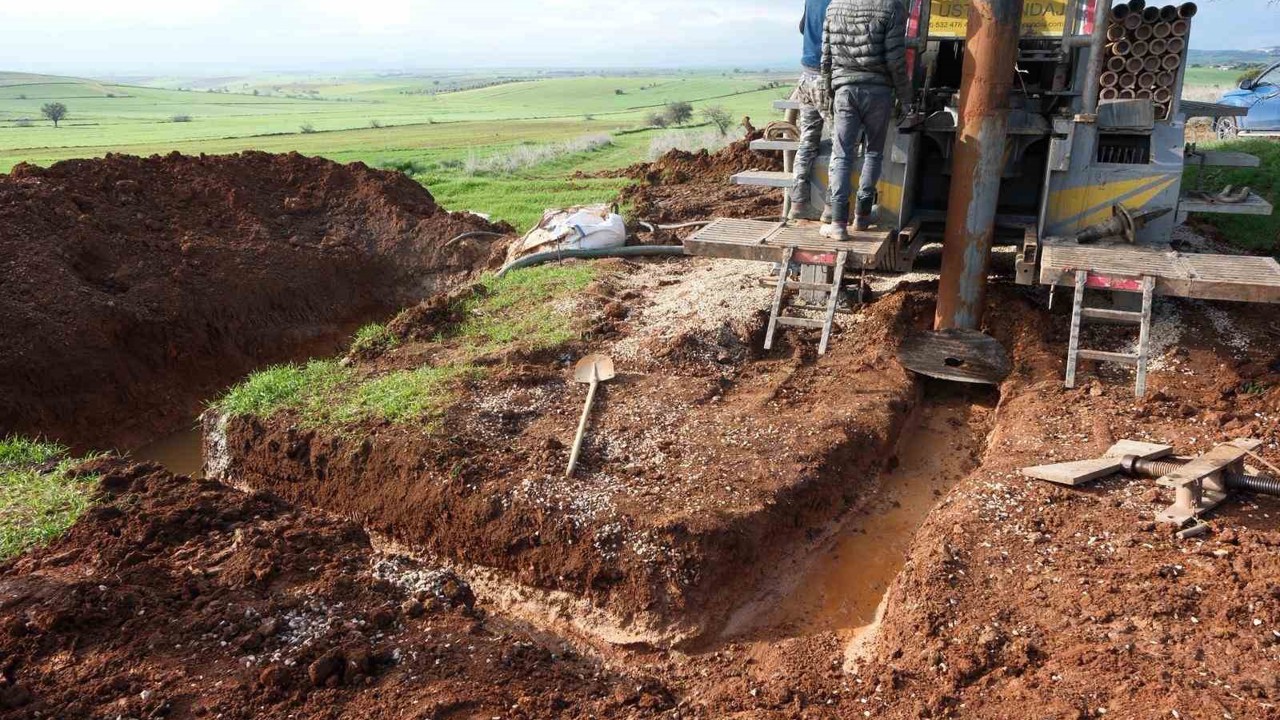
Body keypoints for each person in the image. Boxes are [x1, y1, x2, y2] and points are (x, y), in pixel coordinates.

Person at [819, 0, 914, 240]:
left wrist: (828, 93)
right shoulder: (892, 6)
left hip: (844, 91)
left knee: (842, 155)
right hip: (878, 92)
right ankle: (862, 215)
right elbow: (896, 60)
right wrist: (905, 97)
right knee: (873, 153)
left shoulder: (834, 6)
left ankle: (838, 223)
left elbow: (826, 57)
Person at [789, 0, 833, 222]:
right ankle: (831, 208)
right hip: (827, 79)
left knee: (807, 140)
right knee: (843, 144)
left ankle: (797, 204)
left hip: (806, 77)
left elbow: (801, 26)